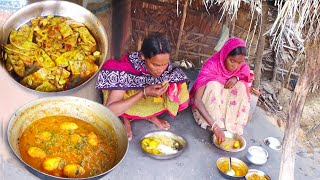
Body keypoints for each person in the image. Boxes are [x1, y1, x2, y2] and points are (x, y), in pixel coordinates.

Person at [96, 33, 190, 140]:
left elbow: (173, 78)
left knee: (179, 85)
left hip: (146, 96)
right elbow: (110, 110)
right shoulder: (126, 71)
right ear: (143, 56)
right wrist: (143, 93)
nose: (161, 69)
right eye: (155, 65)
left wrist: (170, 88)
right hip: (127, 101)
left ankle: (150, 116)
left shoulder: (164, 67)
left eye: (165, 64)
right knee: (121, 90)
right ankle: (125, 118)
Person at [190, 37, 251, 142]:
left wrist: (236, 78)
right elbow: (197, 100)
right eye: (232, 61)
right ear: (225, 55)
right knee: (213, 84)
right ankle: (217, 122)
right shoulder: (211, 65)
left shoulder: (241, 67)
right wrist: (215, 126)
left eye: (239, 62)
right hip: (211, 112)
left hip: (227, 107)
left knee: (241, 86)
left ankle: (232, 123)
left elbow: (245, 71)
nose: (235, 66)